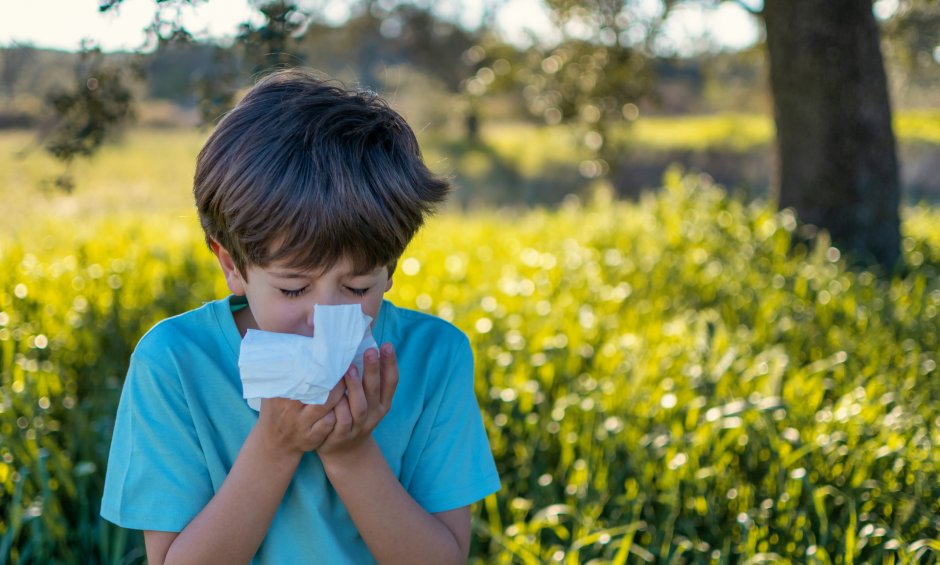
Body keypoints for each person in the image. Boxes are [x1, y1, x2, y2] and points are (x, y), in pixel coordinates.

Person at [100, 69, 501, 564]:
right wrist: (274, 446)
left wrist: (350, 454)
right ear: (232, 265)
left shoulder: (433, 356)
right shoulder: (176, 363)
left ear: (391, 267)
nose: (325, 316)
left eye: (357, 287)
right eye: (293, 288)